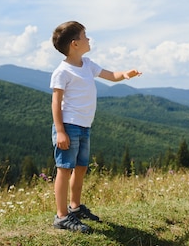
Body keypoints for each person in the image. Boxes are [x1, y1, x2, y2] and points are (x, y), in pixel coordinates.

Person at [50, 21, 141, 232]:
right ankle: (62, 216)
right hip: (69, 126)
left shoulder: (88, 64)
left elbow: (111, 76)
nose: (88, 39)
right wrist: (61, 131)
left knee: (81, 168)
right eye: (85, 36)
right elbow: (56, 102)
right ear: (74, 44)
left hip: (84, 126)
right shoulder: (62, 71)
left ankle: (75, 208)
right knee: (64, 169)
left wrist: (126, 74)